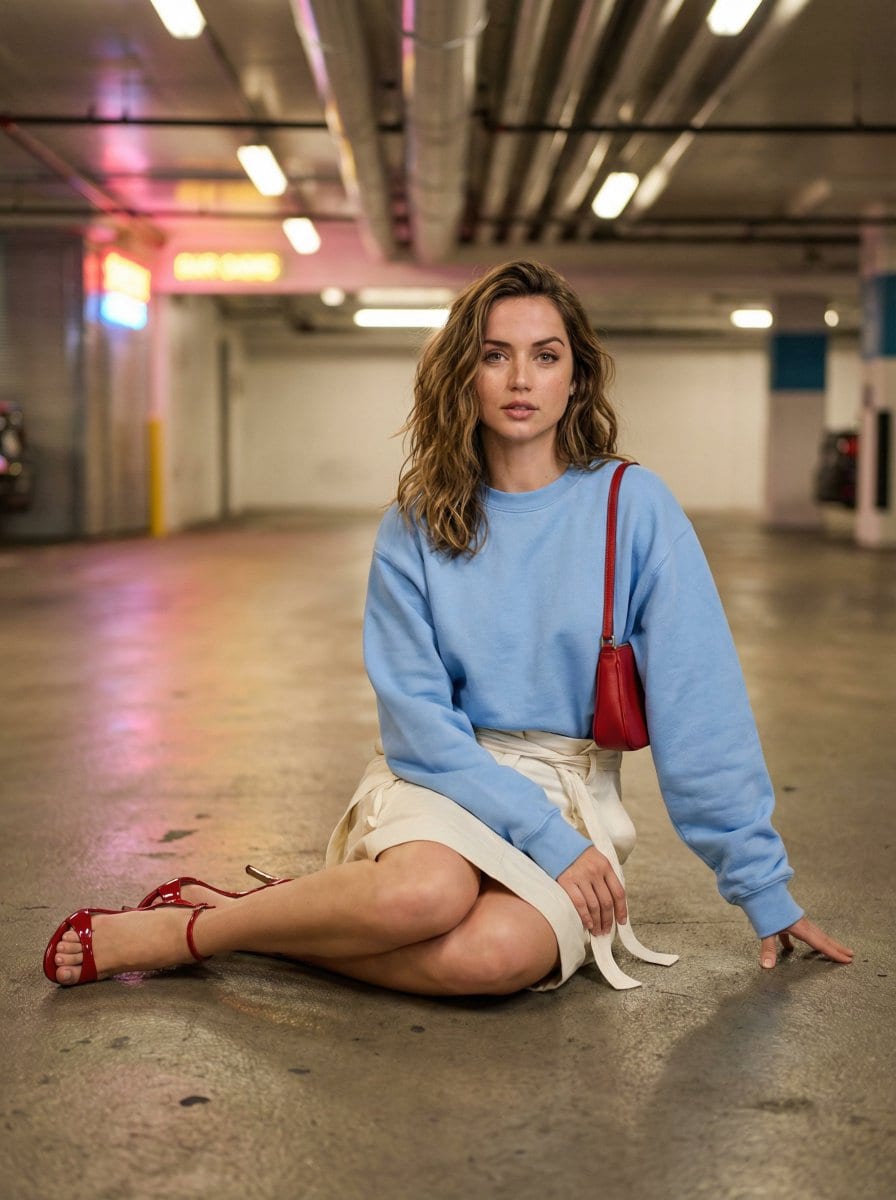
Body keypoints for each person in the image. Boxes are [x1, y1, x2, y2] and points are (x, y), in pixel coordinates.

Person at [44, 259, 852, 993]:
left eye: (546, 354)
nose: (520, 377)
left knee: (492, 960)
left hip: (566, 792)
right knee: (427, 893)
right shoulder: (416, 525)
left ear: (578, 377)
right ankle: (188, 933)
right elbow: (419, 726)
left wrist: (760, 887)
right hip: (441, 772)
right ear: (463, 372)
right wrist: (547, 841)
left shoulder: (631, 507)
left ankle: (268, 919)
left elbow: (697, 701)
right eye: (495, 354)